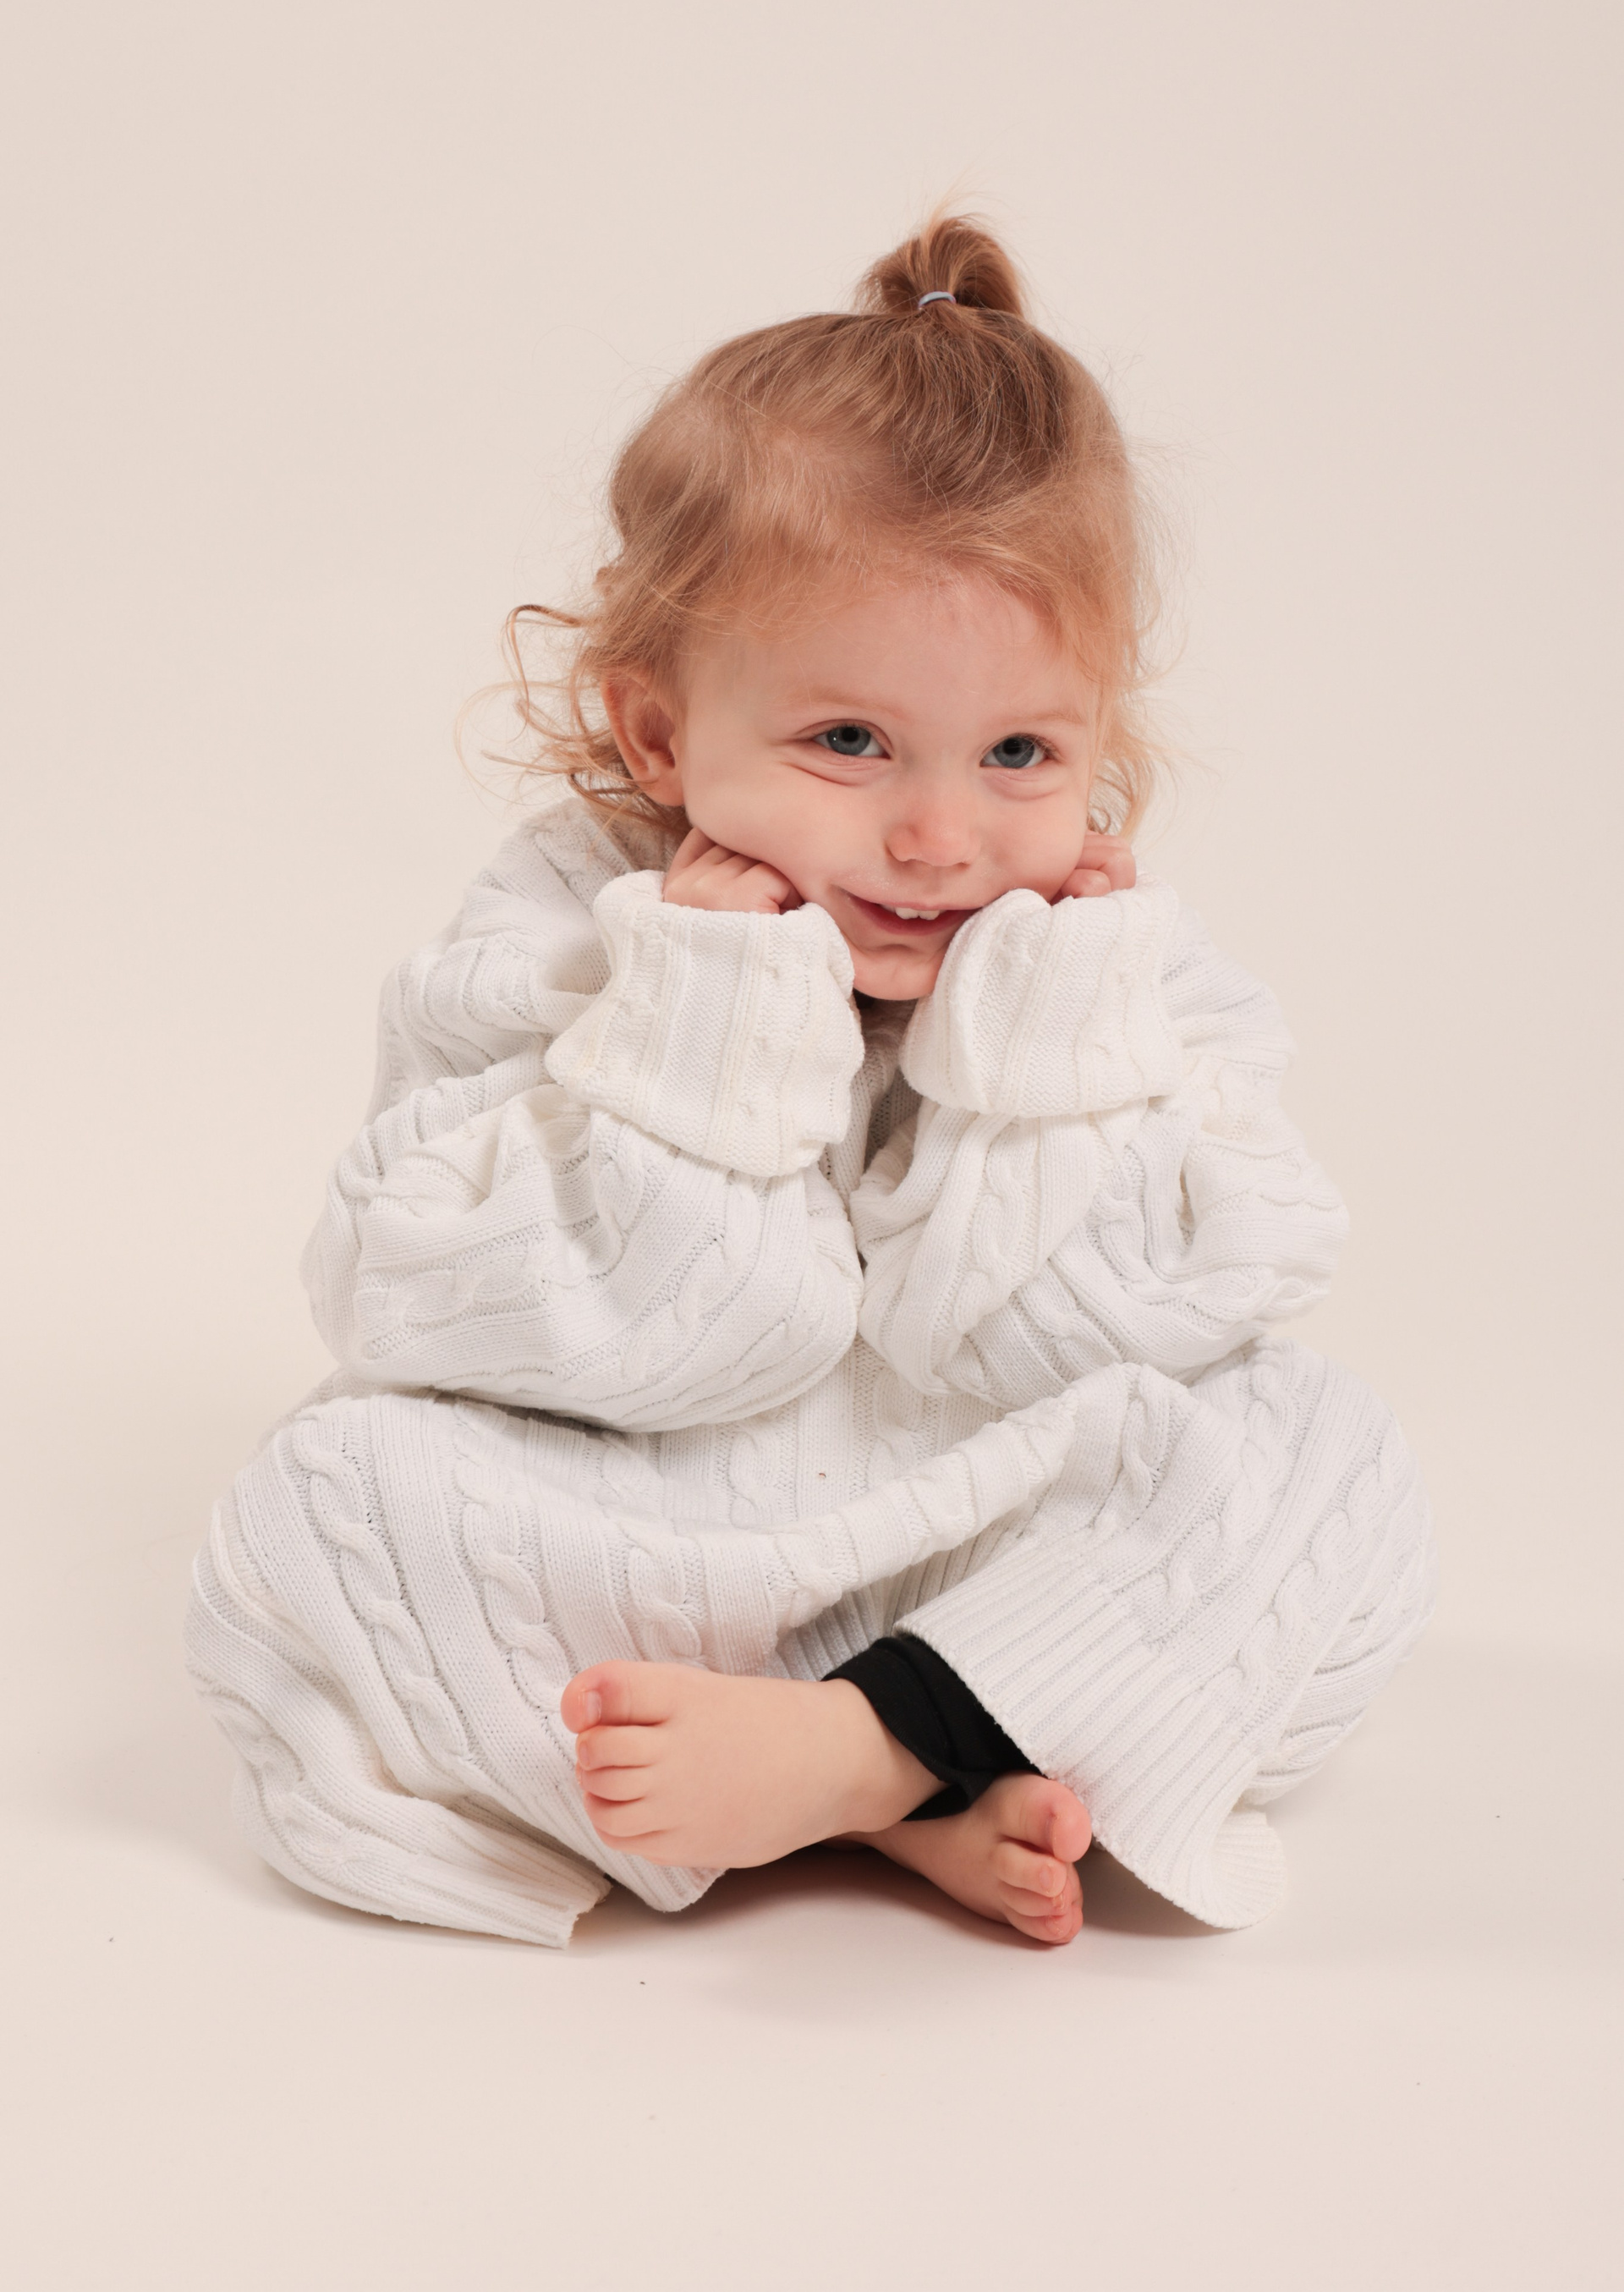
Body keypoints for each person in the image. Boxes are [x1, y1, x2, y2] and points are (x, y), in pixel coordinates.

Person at [186, 216, 1435, 1950]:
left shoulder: (1114, 967)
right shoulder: (557, 932)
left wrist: (1050, 1053)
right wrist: (702, 1033)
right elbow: (443, 1313)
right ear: (657, 733)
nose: (938, 836)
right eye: (850, 742)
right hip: (645, 1527)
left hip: (991, 1524)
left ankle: (878, 1747)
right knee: (320, 1510)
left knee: (1323, 1454)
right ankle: (925, 1775)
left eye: (1020, 753)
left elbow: (1070, 1346)